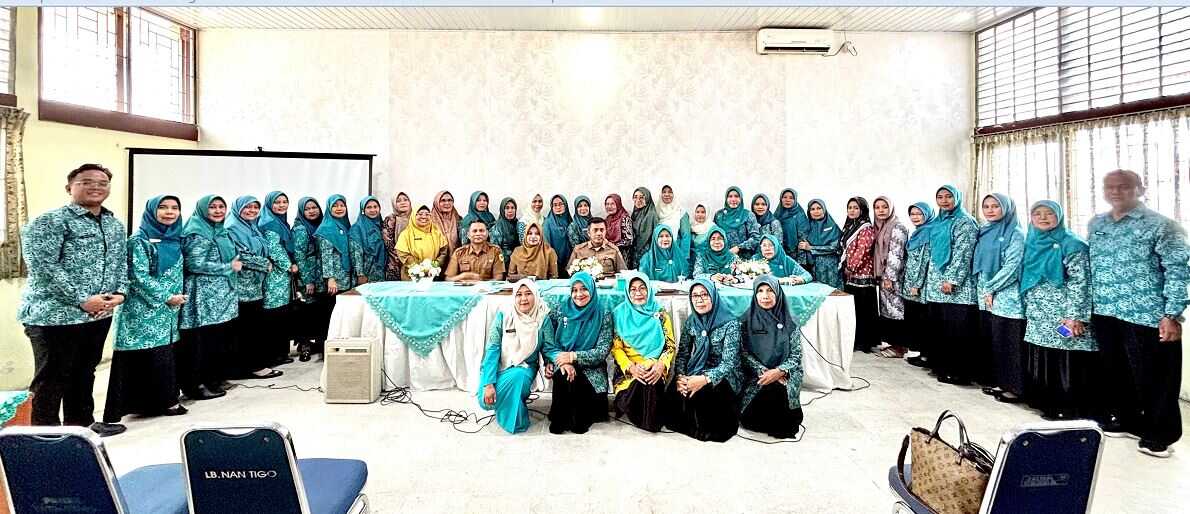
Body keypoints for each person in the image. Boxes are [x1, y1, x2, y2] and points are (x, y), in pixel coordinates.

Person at [19, 164, 128, 436]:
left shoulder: (114, 224)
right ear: (69, 187)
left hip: (98, 314)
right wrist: (82, 300)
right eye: (86, 182)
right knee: (52, 378)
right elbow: (44, 267)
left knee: (84, 372)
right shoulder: (51, 221)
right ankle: (45, 437)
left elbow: (120, 263)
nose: (96, 187)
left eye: (102, 183)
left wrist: (120, 293)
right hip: (54, 316)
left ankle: (81, 428)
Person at [1089, 169, 1190, 458]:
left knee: (1157, 377)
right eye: (1110, 187)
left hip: (1148, 314)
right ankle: (1124, 420)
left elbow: (1178, 270)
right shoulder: (1097, 223)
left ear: (1140, 189)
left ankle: (1160, 434)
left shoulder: (1162, 226)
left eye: (1124, 187)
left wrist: (1172, 314)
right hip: (1105, 309)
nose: (1116, 192)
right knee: (1116, 371)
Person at [102, 195, 188, 427]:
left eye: (174, 208)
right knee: (142, 354)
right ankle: (138, 405)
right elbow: (137, 277)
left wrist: (174, 299)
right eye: (163, 207)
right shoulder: (138, 241)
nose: (169, 212)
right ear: (151, 211)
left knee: (163, 354)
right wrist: (166, 297)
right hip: (142, 308)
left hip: (169, 309)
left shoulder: (175, 239)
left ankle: (166, 401)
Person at [1020, 200, 1096, 422]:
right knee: (1046, 357)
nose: (1043, 218)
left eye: (1049, 213)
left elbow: (1081, 282)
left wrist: (1076, 316)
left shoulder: (1073, 244)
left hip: (1064, 313)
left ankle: (1068, 408)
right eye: (1037, 214)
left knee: (1066, 358)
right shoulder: (1031, 242)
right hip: (1039, 312)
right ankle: (1047, 403)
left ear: (1060, 216)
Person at [177, 195, 240, 402]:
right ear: (203, 209)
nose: (218, 210)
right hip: (203, 295)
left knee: (216, 338)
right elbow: (194, 264)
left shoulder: (220, 231)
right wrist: (228, 267)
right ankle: (196, 385)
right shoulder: (197, 232)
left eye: (221, 206)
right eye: (213, 207)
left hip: (222, 294)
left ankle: (213, 379)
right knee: (201, 341)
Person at [664, 279, 742, 442]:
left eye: (704, 295)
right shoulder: (692, 321)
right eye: (695, 296)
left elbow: (728, 363)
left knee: (706, 398)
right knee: (674, 395)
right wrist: (680, 377)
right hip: (697, 368)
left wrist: (704, 379)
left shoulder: (730, 323)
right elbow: (683, 353)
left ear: (713, 296)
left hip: (723, 376)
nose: (699, 300)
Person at [478, 279, 552, 434]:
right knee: (485, 401)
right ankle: (509, 400)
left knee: (517, 377)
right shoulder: (504, 315)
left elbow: (549, 347)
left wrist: (549, 363)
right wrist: (488, 383)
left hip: (525, 367)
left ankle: (513, 414)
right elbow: (492, 349)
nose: (523, 299)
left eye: (528, 293)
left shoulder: (542, 317)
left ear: (535, 295)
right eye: (519, 294)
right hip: (500, 366)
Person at [543, 272, 612, 434]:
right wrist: (556, 361)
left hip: (591, 368)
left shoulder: (603, 313)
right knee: (564, 375)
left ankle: (576, 418)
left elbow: (602, 351)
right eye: (574, 290)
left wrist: (573, 356)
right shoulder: (560, 310)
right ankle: (563, 418)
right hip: (563, 361)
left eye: (583, 289)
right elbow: (548, 342)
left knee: (579, 422)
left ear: (592, 289)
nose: (579, 294)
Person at [973, 194, 1026, 403]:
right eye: (986, 206)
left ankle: (1014, 388)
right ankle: (1000, 381)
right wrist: (986, 291)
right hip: (986, 294)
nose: (990, 210)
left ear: (1006, 208)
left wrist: (991, 288)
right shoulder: (984, 230)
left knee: (1010, 342)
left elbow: (1013, 267)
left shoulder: (1016, 233)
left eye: (995, 206)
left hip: (1008, 296)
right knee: (995, 341)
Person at [924, 185, 979, 385]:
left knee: (957, 330)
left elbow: (963, 253)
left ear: (957, 198)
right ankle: (942, 366)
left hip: (957, 287)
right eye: (940, 197)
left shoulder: (965, 222)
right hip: (936, 283)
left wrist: (952, 279)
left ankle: (959, 373)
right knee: (941, 329)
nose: (945, 200)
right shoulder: (938, 222)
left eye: (949, 196)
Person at [739, 275, 805, 439]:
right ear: (755, 294)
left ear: (778, 293)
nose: (765, 296)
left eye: (770, 291)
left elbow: (796, 355)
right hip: (756, 375)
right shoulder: (745, 321)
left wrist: (779, 371)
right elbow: (743, 353)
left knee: (785, 414)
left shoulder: (791, 321)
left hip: (784, 375)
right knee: (752, 416)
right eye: (760, 291)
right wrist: (763, 371)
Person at [225, 196, 283, 380]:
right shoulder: (232, 228)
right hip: (241, 286)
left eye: (255, 207)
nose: (252, 210)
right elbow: (239, 255)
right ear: (238, 209)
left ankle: (253, 365)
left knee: (253, 326)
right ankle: (252, 367)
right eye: (247, 207)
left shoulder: (251, 226)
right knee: (247, 328)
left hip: (254, 285)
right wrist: (265, 263)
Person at [610, 272, 676, 432]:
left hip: (655, 368)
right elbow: (616, 348)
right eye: (633, 289)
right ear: (627, 292)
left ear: (649, 289)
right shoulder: (619, 314)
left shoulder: (660, 313)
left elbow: (670, 346)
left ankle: (644, 415)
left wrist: (660, 364)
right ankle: (643, 413)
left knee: (650, 382)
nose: (638, 293)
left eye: (642, 288)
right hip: (629, 370)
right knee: (641, 385)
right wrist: (631, 367)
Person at [258, 191, 297, 366]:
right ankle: (272, 355)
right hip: (274, 275)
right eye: (277, 202)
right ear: (269, 204)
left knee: (281, 314)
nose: (281, 205)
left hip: (282, 276)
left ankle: (280, 353)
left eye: (284, 202)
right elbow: (274, 249)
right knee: (274, 315)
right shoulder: (269, 223)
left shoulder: (280, 222)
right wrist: (289, 265)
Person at [292, 197, 331, 362]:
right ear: (302, 211)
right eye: (307, 209)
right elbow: (299, 257)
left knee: (318, 312)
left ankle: (318, 345)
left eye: (314, 207)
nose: (312, 211)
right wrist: (308, 280)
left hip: (319, 275)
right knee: (306, 313)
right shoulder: (301, 229)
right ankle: (305, 346)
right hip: (307, 276)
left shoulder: (321, 225)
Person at [872, 196, 910, 358]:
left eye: (884, 207)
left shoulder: (897, 227)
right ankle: (894, 344)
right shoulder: (881, 226)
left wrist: (890, 277)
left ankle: (899, 348)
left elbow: (896, 254)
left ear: (891, 208)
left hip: (894, 276)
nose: (881, 210)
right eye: (877, 207)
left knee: (896, 310)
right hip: (884, 275)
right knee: (888, 309)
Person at [841, 197, 879, 353]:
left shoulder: (866, 228)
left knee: (863, 310)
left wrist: (851, 267)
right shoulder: (850, 226)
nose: (852, 210)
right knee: (854, 309)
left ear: (862, 210)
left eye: (856, 208)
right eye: (850, 207)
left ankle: (865, 342)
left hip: (862, 274)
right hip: (851, 275)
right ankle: (855, 340)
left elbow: (862, 250)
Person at [901, 203, 935, 368]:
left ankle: (925, 356)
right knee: (914, 320)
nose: (915, 217)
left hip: (919, 286)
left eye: (919, 213)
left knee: (922, 321)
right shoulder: (917, 232)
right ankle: (919, 353)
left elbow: (924, 261)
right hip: (910, 282)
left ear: (927, 214)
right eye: (912, 214)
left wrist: (917, 284)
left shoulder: (928, 233)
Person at [396, 205, 451, 280]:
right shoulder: (406, 234)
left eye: (427, 214)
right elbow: (402, 253)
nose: (424, 217)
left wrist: (434, 265)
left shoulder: (437, 233)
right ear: (413, 216)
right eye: (420, 214)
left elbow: (443, 251)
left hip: (432, 275)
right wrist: (418, 268)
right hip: (411, 276)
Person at [316, 195, 355, 294]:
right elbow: (326, 256)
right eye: (335, 206)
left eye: (342, 205)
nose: (339, 208)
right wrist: (330, 279)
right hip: (334, 282)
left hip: (346, 277)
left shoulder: (345, 225)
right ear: (329, 208)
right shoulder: (326, 228)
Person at [799, 199, 842, 289]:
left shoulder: (832, 226)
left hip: (830, 269)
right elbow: (802, 245)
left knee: (832, 293)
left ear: (824, 209)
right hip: (812, 268)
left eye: (819, 208)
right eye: (812, 209)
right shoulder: (806, 227)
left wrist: (811, 248)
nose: (816, 211)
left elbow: (835, 247)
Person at [714, 186, 761, 258]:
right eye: (730, 196)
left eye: (736, 196)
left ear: (741, 198)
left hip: (743, 258)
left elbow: (756, 238)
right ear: (726, 198)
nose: (733, 199)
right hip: (722, 257)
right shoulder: (719, 215)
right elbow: (713, 235)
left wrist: (739, 247)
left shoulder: (748, 215)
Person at [349, 196, 387, 285]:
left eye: (375, 207)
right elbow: (356, 253)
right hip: (366, 273)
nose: (373, 210)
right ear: (363, 210)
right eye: (369, 207)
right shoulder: (357, 228)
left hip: (380, 272)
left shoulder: (382, 226)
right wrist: (360, 274)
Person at [657, 185, 692, 272]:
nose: (667, 194)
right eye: (664, 192)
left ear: (674, 194)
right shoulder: (656, 210)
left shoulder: (681, 212)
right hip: (659, 251)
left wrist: (683, 256)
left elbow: (686, 235)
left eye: (670, 192)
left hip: (676, 251)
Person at [775, 188, 810, 268]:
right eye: (785, 197)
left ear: (795, 200)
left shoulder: (799, 215)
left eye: (791, 198)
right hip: (779, 254)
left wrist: (800, 263)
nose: (787, 200)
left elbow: (803, 239)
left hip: (795, 256)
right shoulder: (777, 214)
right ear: (781, 199)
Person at [380, 191, 412, 281]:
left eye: (405, 200)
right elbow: (388, 241)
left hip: (414, 261)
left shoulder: (416, 218)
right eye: (398, 201)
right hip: (395, 261)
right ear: (394, 204)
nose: (403, 203)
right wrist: (401, 256)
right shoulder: (391, 219)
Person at [543, 194, 573, 276]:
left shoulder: (569, 220)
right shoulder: (548, 223)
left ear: (565, 205)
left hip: (570, 261)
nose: (558, 207)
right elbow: (546, 244)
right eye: (555, 205)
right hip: (554, 261)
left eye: (561, 204)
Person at [630, 187, 659, 269]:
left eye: (642, 197)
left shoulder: (651, 214)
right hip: (635, 251)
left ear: (647, 199)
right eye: (635, 197)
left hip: (647, 253)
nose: (638, 200)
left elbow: (655, 237)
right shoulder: (635, 213)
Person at [603, 194, 634, 264]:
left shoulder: (625, 218)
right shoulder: (608, 219)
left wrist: (612, 245)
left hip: (621, 255)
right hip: (609, 253)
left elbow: (629, 240)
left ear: (618, 204)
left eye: (612, 204)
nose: (609, 207)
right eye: (607, 204)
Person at [751, 193, 784, 258]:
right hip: (751, 260)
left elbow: (778, 245)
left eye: (763, 204)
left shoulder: (774, 223)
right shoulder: (749, 221)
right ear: (753, 206)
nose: (760, 207)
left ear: (767, 206)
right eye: (757, 204)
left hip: (768, 259)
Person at [489, 197, 521, 264]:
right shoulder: (497, 227)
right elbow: (495, 251)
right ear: (502, 210)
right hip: (503, 263)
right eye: (507, 208)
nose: (510, 211)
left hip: (517, 261)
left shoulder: (518, 223)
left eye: (512, 208)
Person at [688, 204, 714, 271]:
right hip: (691, 263)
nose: (700, 215)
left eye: (703, 212)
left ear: (707, 213)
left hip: (707, 263)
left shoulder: (712, 228)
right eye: (697, 212)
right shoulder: (690, 227)